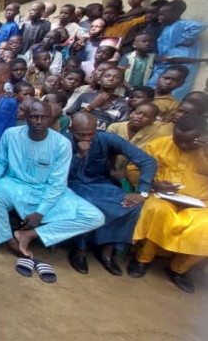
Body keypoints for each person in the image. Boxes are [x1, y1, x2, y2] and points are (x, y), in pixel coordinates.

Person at [0, 101, 105, 259]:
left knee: (95, 217)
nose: (39, 121)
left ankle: (30, 235)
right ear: (26, 117)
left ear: (51, 120)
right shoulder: (11, 134)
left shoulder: (62, 144)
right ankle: (8, 239)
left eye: (44, 117)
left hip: (47, 190)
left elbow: (57, 183)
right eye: (34, 117)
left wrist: (40, 212)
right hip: (15, 184)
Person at [66, 113, 156, 276]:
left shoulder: (107, 139)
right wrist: (79, 155)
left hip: (100, 183)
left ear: (97, 130)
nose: (87, 138)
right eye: (81, 134)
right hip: (71, 184)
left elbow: (148, 161)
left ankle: (107, 251)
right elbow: (59, 171)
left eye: (91, 133)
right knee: (87, 204)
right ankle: (80, 250)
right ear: (71, 129)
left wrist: (142, 192)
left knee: (133, 206)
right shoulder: (63, 140)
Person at [128, 116, 208, 293]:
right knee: (157, 211)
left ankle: (179, 269)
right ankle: (143, 259)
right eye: (177, 140)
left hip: (201, 203)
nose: (182, 145)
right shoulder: (159, 144)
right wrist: (152, 184)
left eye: (188, 142)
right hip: (161, 196)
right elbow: (133, 169)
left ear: (202, 136)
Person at [147, 1, 205, 98]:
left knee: (174, 88)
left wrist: (184, 39)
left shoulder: (182, 24)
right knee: (154, 85)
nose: (159, 17)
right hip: (165, 62)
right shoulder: (166, 28)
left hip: (181, 62)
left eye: (163, 14)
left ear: (175, 14)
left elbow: (199, 26)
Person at [108, 102, 168, 188]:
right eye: (137, 113)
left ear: (153, 121)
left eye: (146, 116)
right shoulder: (115, 127)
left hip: (132, 176)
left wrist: (126, 174)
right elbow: (107, 151)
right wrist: (112, 170)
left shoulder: (155, 133)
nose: (140, 117)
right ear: (131, 113)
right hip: (109, 170)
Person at [67, 67, 130, 131]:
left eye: (116, 77)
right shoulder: (85, 97)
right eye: (107, 76)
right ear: (99, 80)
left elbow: (120, 130)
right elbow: (69, 119)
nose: (111, 79)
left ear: (121, 83)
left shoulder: (122, 106)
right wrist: (91, 106)